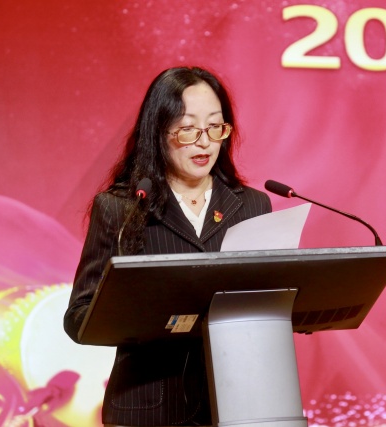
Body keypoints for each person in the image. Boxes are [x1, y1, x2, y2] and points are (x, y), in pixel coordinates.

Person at [64, 66, 272, 427]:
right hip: (150, 406)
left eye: (215, 126)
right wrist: (145, 316)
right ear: (158, 132)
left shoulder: (253, 205)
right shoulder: (123, 207)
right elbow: (79, 316)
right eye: (188, 128)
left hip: (238, 403)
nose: (204, 142)